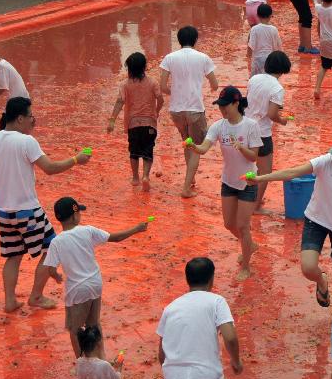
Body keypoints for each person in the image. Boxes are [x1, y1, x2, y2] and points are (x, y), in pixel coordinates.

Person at [0, 97, 91, 312]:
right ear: (20, 118)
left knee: (13, 256)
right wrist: (75, 160)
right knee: (52, 248)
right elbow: (50, 168)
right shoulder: (27, 142)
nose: (32, 121)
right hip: (27, 210)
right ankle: (36, 296)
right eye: (30, 117)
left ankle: (9, 300)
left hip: (4, 210)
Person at [248, 135, 332, 305]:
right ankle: (321, 280)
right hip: (316, 220)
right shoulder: (326, 161)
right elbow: (292, 172)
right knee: (308, 267)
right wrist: (260, 179)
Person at [157, 257, 243, 379]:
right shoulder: (216, 301)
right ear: (211, 279)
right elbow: (229, 337)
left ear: (187, 279)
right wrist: (236, 361)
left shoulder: (170, 308)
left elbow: (161, 355)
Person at [45, 197, 148, 356]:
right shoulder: (87, 230)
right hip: (95, 282)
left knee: (75, 329)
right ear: (74, 215)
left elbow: (50, 269)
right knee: (94, 324)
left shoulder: (56, 242)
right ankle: (101, 358)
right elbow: (116, 237)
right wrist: (136, 228)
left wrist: (57, 276)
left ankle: (82, 362)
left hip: (77, 289)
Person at [186, 87, 263, 280]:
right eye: (220, 106)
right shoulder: (218, 126)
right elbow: (204, 148)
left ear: (236, 103)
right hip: (228, 181)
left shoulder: (251, 126)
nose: (222, 110)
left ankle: (246, 266)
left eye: (225, 105)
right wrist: (194, 147)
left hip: (248, 181)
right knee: (229, 224)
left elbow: (254, 156)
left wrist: (242, 148)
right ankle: (249, 245)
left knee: (243, 226)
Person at [160, 25, 218, 198]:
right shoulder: (203, 58)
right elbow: (214, 84)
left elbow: (163, 87)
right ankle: (186, 187)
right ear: (195, 40)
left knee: (187, 143)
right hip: (195, 109)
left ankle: (190, 179)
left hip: (176, 111)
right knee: (196, 148)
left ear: (179, 40)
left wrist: (176, 92)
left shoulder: (169, 58)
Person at [107, 52, 164, 189]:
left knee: (133, 151)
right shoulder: (153, 82)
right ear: (145, 67)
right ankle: (145, 176)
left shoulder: (125, 85)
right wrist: (156, 111)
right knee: (148, 150)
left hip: (133, 124)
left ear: (129, 69)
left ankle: (135, 177)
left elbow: (120, 102)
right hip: (149, 123)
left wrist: (112, 120)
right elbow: (160, 99)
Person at [245, 51, 290, 212]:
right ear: (283, 69)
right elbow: (271, 114)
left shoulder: (254, 79)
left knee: (250, 167)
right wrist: (282, 120)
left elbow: (247, 101)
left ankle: (246, 199)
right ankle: (255, 205)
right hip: (262, 133)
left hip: (246, 128)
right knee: (265, 171)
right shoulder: (277, 88)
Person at [247, 4, 283, 75]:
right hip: (270, 59)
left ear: (257, 15)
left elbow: (251, 45)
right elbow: (279, 46)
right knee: (269, 78)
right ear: (270, 16)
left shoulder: (254, 29)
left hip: (258, 59)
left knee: (255, 79)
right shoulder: (274, 29)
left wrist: (248, 56)